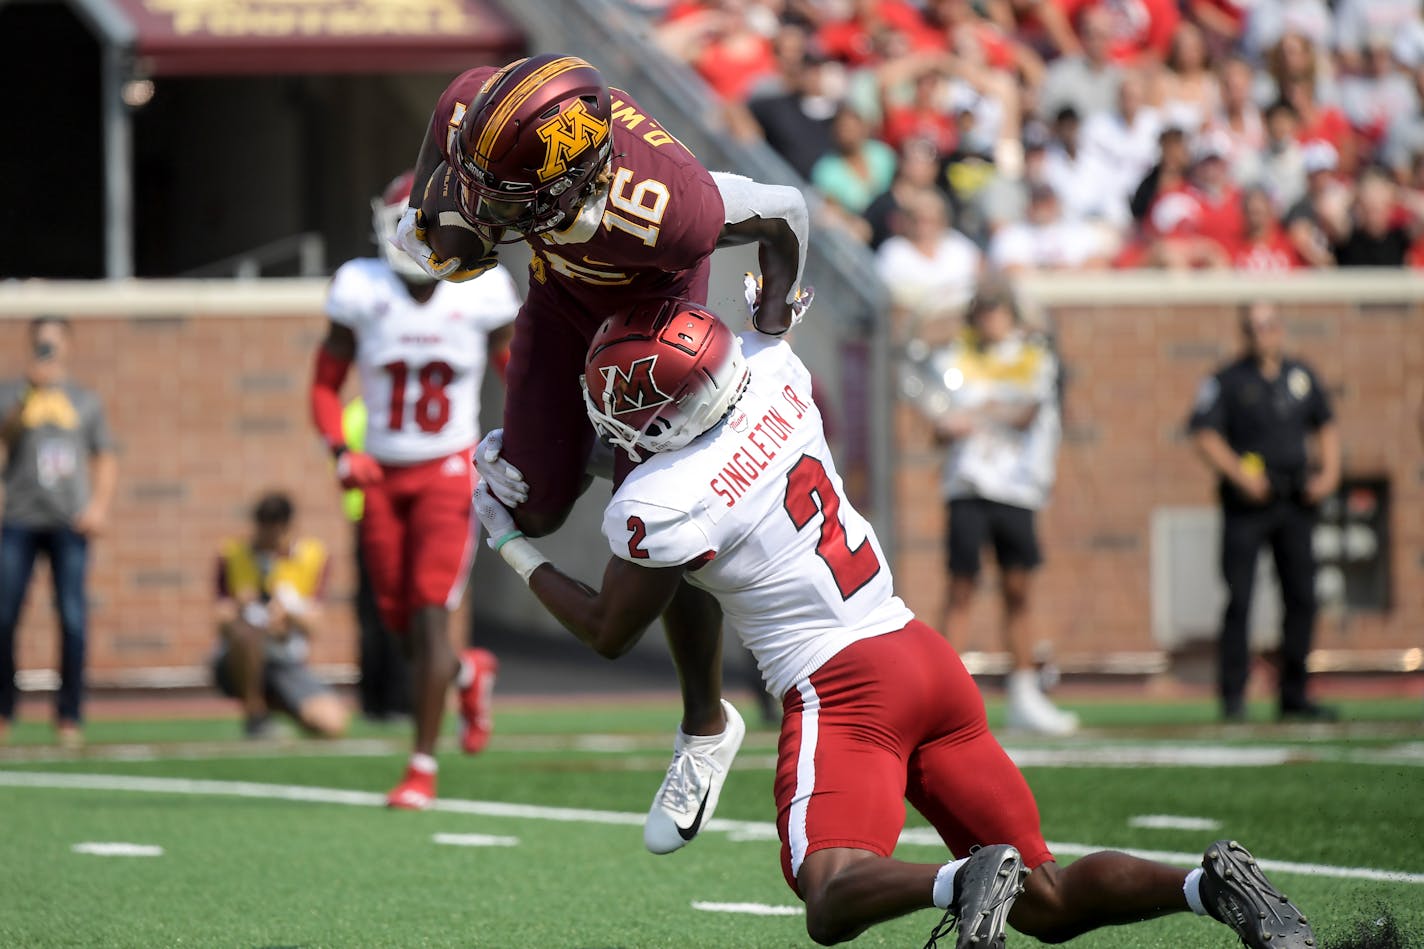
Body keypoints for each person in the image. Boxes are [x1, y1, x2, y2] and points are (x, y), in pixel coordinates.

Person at [473, 299, 1316, 949]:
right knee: (1049, 899)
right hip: (920, 653)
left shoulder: (657, 505)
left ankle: (957, 883)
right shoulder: (774, 370)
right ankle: (1209, 890)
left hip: (844, 686)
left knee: (828, 892)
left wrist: (507, 539)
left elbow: (609, 626)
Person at [391, 52, 813, 850]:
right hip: (561, 296)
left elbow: (785, 208)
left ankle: (703, 722)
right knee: (537, 504)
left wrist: (773, 327)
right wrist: (433, 224)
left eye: (504, 195)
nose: (484, 206)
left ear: (576, 180)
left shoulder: (670, 205)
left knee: (657, 542)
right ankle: (602, 454)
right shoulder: (473, 109)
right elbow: (437, 193)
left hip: (655, 323)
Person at [310, 170, 517, 808]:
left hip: (448, 469)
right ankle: (466, 673)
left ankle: (422, 766)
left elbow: (520, 378)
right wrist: (343, 453)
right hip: (380, 470)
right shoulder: (360, 287)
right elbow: (323, 385)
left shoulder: (482, 292)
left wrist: (534, 446)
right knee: (399, 623)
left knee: (430, 613)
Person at [927, 288, 1075, 736]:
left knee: (1019, 590)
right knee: (961, 588)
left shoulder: (1033, 357)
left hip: (1016, 489)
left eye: (998, 312)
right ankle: (943, 697)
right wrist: (954, 421)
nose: (991, 321)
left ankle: (1025, 693)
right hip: (967, 487)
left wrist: (978, 413)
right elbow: (939, 427)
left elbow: (1029, 412)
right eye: (983, 313)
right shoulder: (952, 359)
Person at [1188, 302, 1340, 722]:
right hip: (1248, 504)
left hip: (1295, 500)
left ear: (1281, 329)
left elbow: (1325, 425)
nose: (1263, 334)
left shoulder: (1301, 376)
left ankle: (1295, 693)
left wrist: (1328, 474)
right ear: (1244, 333)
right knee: (1240, 598)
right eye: (1254, 327)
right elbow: (1204, 434)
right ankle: (1233, 696)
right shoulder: (1227, 380)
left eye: (1269, 325)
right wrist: (1241, 476)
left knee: (1303, 595)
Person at [0, 316, 116, 747]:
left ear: (68, 345)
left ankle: (69, 715)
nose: (47, 350)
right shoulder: (13, 394)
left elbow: (105, 457)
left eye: (54, 343)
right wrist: (30, 393)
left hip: (70, 521)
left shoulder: (85, 400)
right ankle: (4, 710)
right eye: (41, 343)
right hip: (20, 518)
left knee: (71, 617)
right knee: (5, 615)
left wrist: (99, 506)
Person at [213, 492, 348, 739]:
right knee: (246, 634)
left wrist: (287, 616)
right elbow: (220, 620)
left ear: (289, 527)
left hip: (285, 660)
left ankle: (275, 706)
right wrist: (241, 607)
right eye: (265, 531)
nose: (270, 539)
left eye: (276, 532)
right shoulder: (233, 554)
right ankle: (255, 716)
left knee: (330, 724)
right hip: (236, 660)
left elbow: (314, 624)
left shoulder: (312, 555)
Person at [342, 396, 411, 722]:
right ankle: (398, 700)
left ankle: (374, 701)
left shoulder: (354, 413)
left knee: (373, 615)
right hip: (393, 518)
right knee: (401, 611)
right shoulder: (395, 404)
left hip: (366, 518)